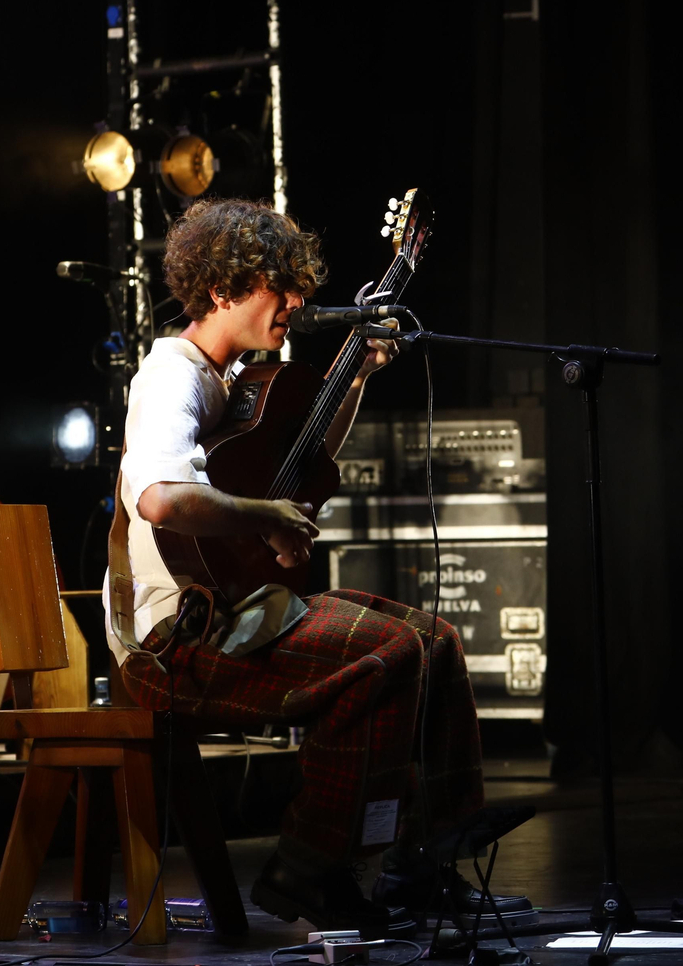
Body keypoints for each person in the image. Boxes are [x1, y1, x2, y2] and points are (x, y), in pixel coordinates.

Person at [103, 198, 529, 936]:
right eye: (279, 287)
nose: (296, 303)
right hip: (177, 643)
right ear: (223, 289)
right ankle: (312, 866)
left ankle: (421, 858)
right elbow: (163, 500)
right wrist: (265, 517)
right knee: (386, 652)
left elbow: (303, 457)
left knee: (434, 641)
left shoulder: (237, 376)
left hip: (238, 618)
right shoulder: (170, 377)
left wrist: (356, 372)